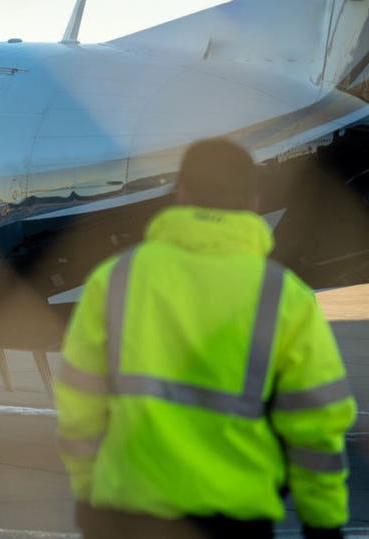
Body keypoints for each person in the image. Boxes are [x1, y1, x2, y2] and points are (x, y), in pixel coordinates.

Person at [55, 138, 355, 539]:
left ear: (181, 192)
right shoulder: (282, 295)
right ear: (254, 200)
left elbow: (79, 403)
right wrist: (324, 520)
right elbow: (316, 421)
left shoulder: (117, 279)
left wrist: (88, 492)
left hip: (129, 510)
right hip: (234, 515)